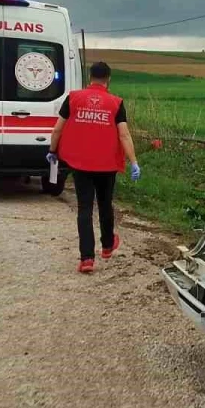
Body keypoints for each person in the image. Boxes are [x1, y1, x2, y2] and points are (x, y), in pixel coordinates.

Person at [48, 61, 141, 273]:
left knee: (85, 208)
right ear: (108, 79)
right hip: (106, 165)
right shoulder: (116, 103)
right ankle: (107, 246)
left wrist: (52, 152)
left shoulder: (73, 98)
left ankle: (86, 259)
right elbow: (124, 134)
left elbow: (57, 130)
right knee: (105, 204)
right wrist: (134, 161)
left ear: (90, 77)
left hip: (80, 164)